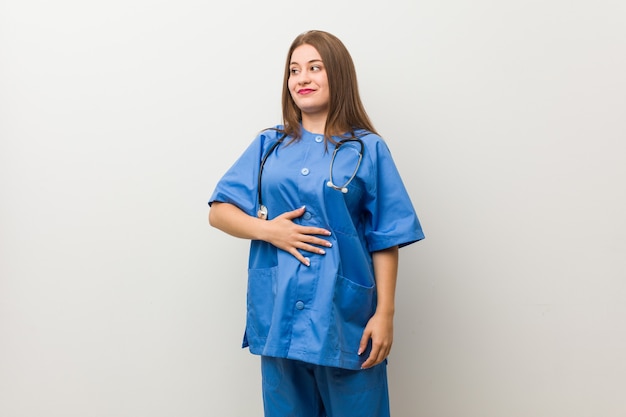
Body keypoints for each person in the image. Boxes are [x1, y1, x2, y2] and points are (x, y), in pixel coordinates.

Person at [208, 30, 424, 417]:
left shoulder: (367, 148)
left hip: (344, 318)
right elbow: (219, 210)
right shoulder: (268, 145)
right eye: (294, 70)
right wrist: (268, 229)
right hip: (278, 316)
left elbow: (386, 236)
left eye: (314, 68)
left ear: (337, 75)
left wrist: (385, 313)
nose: (302, 78)